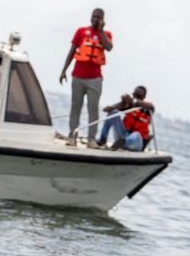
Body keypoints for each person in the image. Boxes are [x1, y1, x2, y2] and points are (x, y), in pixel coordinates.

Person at [58, 8, 114, 146]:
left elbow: (109, 47)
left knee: (93, 109)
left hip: (94, 79)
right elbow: (72, 51)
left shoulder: (106, 34)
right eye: (94, 16)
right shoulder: (81, 32)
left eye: (99, 17)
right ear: (90, 17)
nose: (96, 19)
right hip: (78, 76)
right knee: (75, 106)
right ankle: (72, 136)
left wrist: (100, 31)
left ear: (103, 20)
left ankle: (91, 139)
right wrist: (63, 70)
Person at [96, 85, 154, 151]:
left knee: (136, 134)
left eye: (139, 95)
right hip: (124, 134)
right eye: (134, 94)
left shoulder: (148, 109)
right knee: (114, 112)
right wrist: (121, 104)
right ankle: (103, 139)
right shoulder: (128, 105)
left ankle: (124, 142)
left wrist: (135, 101)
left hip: (137, 142)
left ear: (144, 97)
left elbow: (151, 106)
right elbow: (106, 109)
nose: (136, 96)